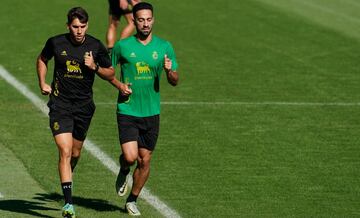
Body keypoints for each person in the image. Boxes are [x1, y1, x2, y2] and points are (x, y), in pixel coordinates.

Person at [36, 7, 119, 218]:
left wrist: (95, 67)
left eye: (82, 26)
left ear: (87, 26)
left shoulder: (95, 46)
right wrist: (42, 82)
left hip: (84, 107)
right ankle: (68, 204)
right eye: (75, 27)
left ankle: (67, 178)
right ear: (68, 26)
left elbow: (110, 72)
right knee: (64, 151)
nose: (79, 31)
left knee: (75, 153)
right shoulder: (56, 42)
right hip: (60, 104)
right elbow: (42, 59)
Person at [110, 2, 179, 216]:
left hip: (151, 112)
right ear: (134, 21)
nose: (145, 23)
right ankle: (123, 170)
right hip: (128, 109)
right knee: (130, 157)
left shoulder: (164, 46)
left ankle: (132, 200)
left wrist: (169, 72)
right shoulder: (123, 46)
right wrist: (120, 86)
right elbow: (108, 71)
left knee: (145, 160)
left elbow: (175, 80)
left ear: (153, 20)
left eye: (149, 19)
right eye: (141, 20)